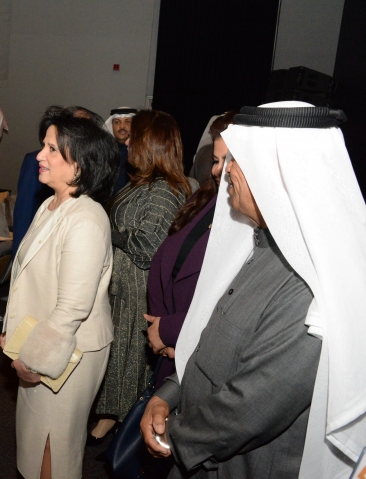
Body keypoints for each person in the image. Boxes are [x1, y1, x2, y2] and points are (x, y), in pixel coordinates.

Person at [140, 103, 365, 479]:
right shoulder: (256, 246)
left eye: (237, 161)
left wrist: (174, 436)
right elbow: (207, 343)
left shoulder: (311, 289)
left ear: (275, 173)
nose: (224, 171)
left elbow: (252, 406)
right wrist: (169, 394)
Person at [0, 111, 118, 479]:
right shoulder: (52, 205)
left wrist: (32, 359)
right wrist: (14, 335)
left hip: (68, 353)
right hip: (46, 343)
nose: (40, 155)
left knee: (54, 445)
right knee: (35, 444)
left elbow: (72, 308)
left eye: (52, 149)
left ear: (79, 164)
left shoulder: (86, 218)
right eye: (43, 146)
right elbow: (31, 280)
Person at [90, 110, 191, 445]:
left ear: (150, 143)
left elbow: (147, 246)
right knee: (120, 357)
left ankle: (127, 427)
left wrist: (109, 231)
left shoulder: (163, 190)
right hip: (126, 285)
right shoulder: (146, 183)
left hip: (138, 290)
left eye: (135, 137)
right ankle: (113, 418)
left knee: (130, 360)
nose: (127, 141)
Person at [145, 110, 236, 394]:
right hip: (169, 335)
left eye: (227, 161)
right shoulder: (204, 198)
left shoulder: (249, 223)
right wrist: (160, 324)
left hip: (199, 347)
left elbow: (227, 303)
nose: (217, 171)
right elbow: (166, 258)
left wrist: (170, 330)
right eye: (216, 161)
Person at [12, 106, 103, 253]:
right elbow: (24, 213)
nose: (40, 156)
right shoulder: (47, 204)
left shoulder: (86, 220)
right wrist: (18, 255)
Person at [103, 107, 137, 196]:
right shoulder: (103, 152)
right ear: (111, 126)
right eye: (117, 122)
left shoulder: (140, 153)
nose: (122, 126)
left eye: (127, 122)